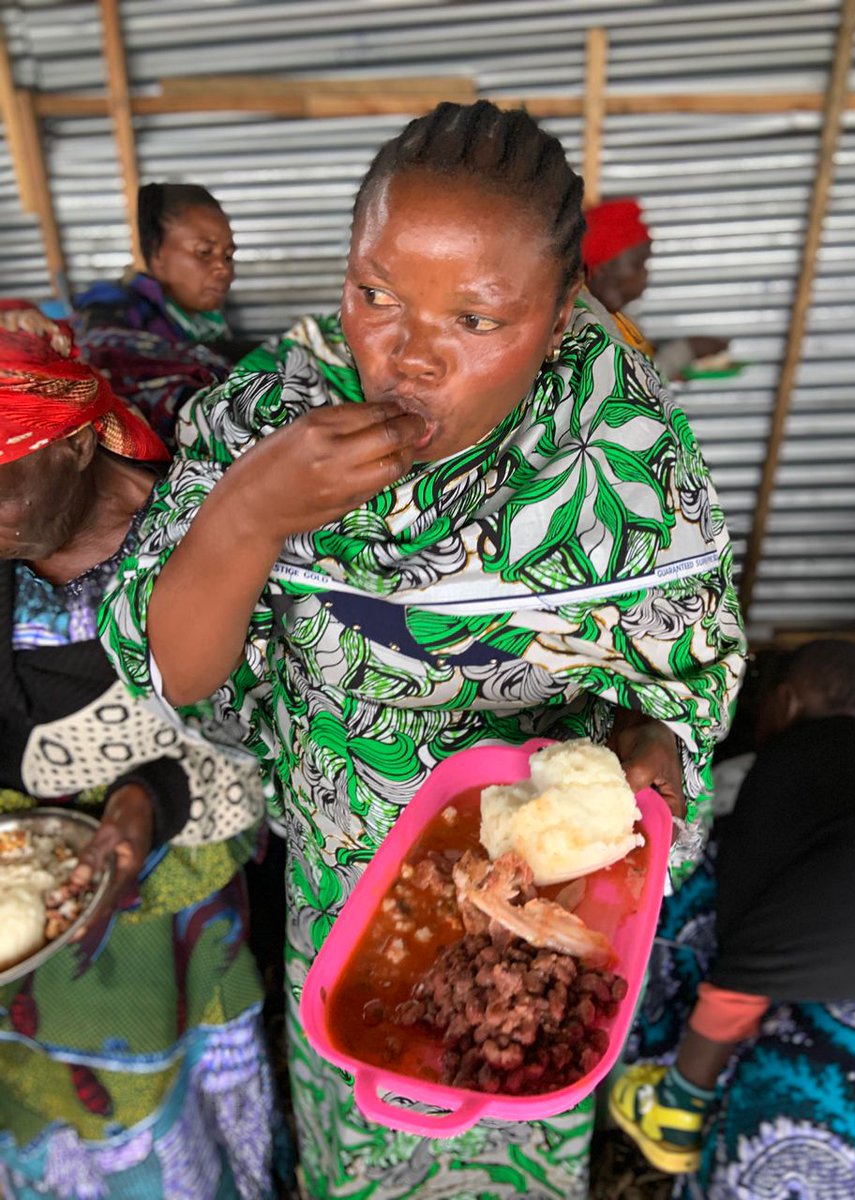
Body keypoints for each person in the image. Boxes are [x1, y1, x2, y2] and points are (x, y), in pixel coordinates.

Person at [101, 100, 746, 1199]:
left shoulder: (627, 452)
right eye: (374, 296)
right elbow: (179, 678)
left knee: (515, 1114)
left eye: (477, 318)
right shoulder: (267, 415)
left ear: (557, 316)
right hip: (348, 898)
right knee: (361, 1130)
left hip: (552, 913)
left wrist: (653, 747)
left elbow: (686, 682)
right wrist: (249, 517)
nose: (407, 352)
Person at [0, 316, 287, 1199]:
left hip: (178, 899)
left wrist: (143, 807)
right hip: (27, 898)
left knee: (176, 1102)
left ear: (81, 443)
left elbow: (251, 729)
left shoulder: (202, 533)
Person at [609, 640, 855, 1197]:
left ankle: (676, 1109)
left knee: (747, 966)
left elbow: (745, 926)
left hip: (852, 928)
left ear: (785, 704)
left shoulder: (788, 763)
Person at [69, 182, 248, 445]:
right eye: (204, 252)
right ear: (156, 252)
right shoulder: (113, 307)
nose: (223, 269)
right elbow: (97, 353)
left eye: (229, 256)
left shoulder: (204, 321)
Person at [582, 198, 730, 381]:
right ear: (601, 268)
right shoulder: (584, 326)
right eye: (637, 265)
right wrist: (688, 349)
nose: (645, 275)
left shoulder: (618, 319)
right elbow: (632, 386)